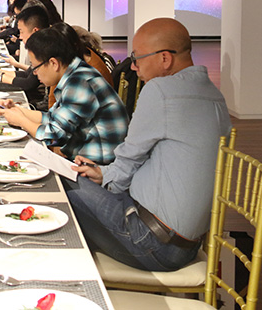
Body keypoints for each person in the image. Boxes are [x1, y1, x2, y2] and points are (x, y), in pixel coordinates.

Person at [67, 18, 231, 272]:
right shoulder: (214, 95)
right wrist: (102, 174)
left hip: (152, 242)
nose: (133, 67)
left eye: (137, 58)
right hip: (183, 243)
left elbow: (127, 163)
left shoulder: (161, 91)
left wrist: (105, 182)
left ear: (165, 58)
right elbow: (151, 162)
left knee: (62, 182)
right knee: (79, 183)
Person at [0, 24, 128, 165]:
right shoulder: (74, 74)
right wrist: (17, 111)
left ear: (54, 63)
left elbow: (54, 135)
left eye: (35, 67)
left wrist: (21, 120)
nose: (34, 73)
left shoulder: (80, 82)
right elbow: (52, 118)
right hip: (83, 160)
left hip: (97, 167)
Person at [0, 6, 49, 106]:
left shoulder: (47, 49)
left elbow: (29, 84)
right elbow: (27, 74)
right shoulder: (41, 47)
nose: (20, 37)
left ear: (35, 31)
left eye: (21, 31)